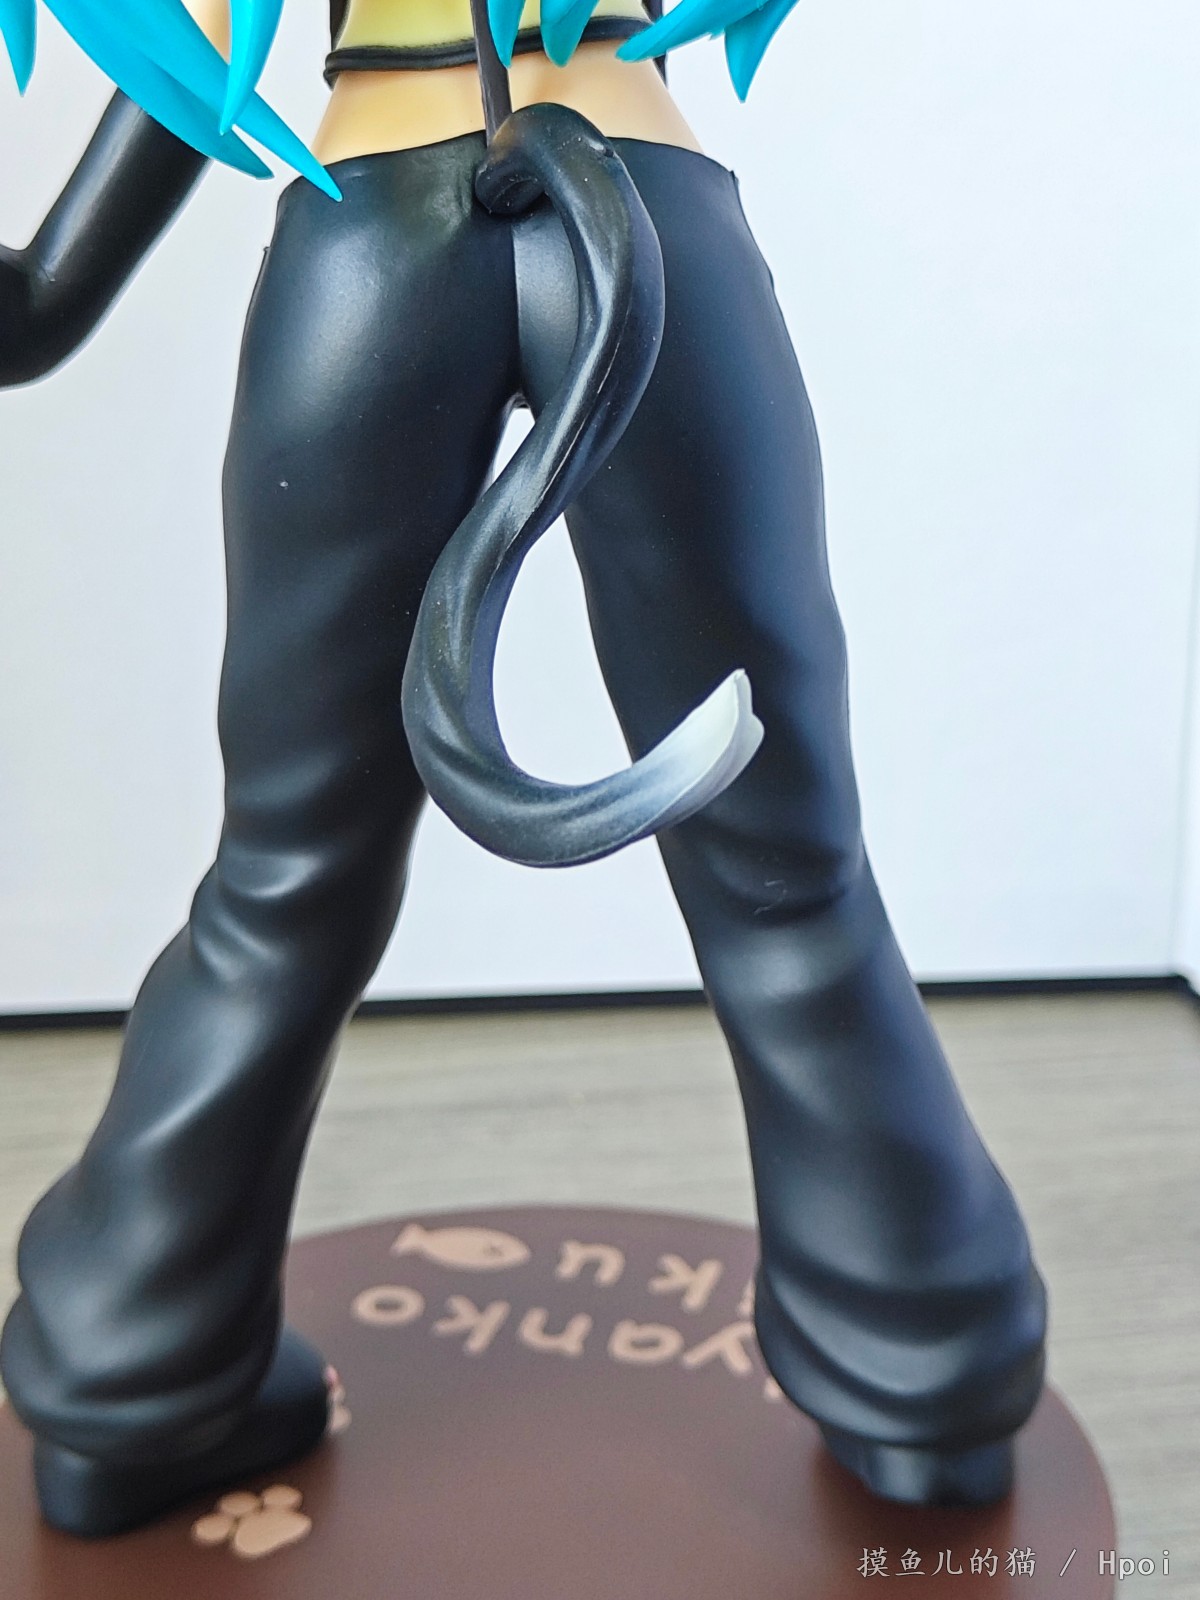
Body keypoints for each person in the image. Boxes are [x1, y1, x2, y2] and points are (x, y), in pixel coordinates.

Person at [0, 0, 1047, 1535]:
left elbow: (163, 106)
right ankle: (924, 1380)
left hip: (376, 226)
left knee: (285, 880)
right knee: (787, 878)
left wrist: (46, 286)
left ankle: (128, 1375)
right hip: (642, 199)